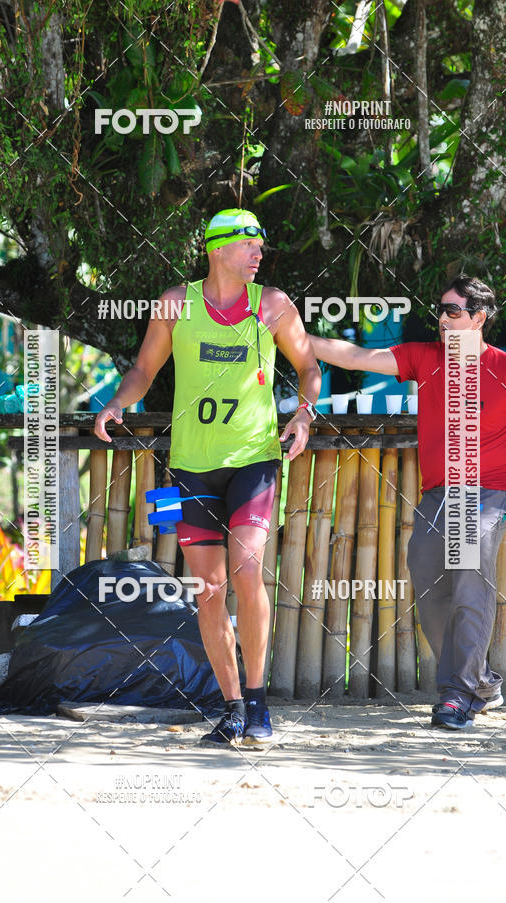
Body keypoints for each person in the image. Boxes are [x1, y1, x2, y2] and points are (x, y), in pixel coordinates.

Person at [95, 209, 321, 746]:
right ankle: (233, 707)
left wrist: (305, 413)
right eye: (250, 243)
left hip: (254, 459)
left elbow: (309, 367)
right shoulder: (177, 303)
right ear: (217, 248)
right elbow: (144, 369)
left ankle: (261, 702)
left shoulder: (272, 305)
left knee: (246, 569)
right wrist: (118, 403)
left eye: (261, 244)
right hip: (191, 463)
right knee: (208, 590)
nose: (259, 252)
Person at [311, 276, 506, 729]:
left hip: (485, 492)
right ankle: (478, 682)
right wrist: (291, 334)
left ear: (479, 317)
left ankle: (457, 693)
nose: (442, 318)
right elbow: (358, 356)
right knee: (426, 575)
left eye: (453, 311)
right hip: (437, 494)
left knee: (467, 576)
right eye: (439, 310)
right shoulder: (426, 357)